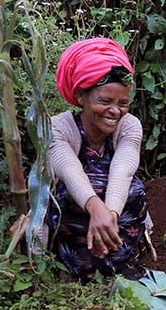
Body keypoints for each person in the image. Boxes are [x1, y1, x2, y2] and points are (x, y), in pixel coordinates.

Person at [47, 37, 148, 281]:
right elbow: (69, 172)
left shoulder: (129, 126)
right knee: (69, 193)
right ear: (81, 97)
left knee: (133, 190)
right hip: (75, 226)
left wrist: (109, 214)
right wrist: (95, 208)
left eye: (122, 103)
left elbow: (123, 170)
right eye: (104, 101)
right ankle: (75, 269)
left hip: (112, 223)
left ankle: (121, 262)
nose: (115, 111)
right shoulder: (57, 128)